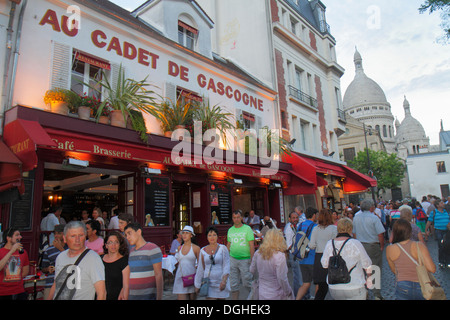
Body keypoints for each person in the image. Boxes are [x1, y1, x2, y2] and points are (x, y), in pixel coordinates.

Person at [47, 221, 106, 300]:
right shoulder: (60, 257)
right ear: (65, 238)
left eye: (80, 235)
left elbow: (101, 292)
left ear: (85, 237)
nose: (77, 240)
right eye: (73, 236)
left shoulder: (93, 258)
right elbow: (56, 284)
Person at [321, 218, 372, 300]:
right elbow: (367, 264)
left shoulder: (329, 243)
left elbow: (324, 264)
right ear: (350, 229)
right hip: (354, 285)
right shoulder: (355, 243)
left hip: (335, 287)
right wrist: (369, 278)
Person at [386, 218, 436, 300]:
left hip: (402, 285)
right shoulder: (419, 245)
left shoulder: (389, 249)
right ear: (410, 231)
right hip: (421, 284)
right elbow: (432, 269)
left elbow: (394, 270)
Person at [352, 199, 385, 300]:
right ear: (371, 207)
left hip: (360, 245)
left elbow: (354, 233)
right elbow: (380, 234)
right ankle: (376, 294)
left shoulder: (356, 218)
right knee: (375, 268)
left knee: (362, 269)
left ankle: (364, 291)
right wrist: (382, 245)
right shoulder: (374, 218)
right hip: (372, 245)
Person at [250, 228, 294, 300]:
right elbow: (282, 278)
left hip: (262, 292)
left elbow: (252, 270)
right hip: (277, 293)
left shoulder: (258, 253)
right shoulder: (279, 256)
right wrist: (288, 291)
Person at [124, 222, 163, 300]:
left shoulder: (153, 248)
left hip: (148, 297)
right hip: (132, 297)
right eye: (126, 235)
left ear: (138, 232)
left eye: (129, 233)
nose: (127, 237)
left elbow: (158, 275)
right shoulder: (131, 251)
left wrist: (159, 298)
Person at [194, 226, 230, 299]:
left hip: (220, 282)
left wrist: (224, 280)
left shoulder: (223, 248)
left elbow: (226, 265)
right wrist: (197, 285)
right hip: (208, 283)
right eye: (209, 235)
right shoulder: (203, 250)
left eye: (214, 235)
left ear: (217, 236)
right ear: (207, 237)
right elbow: (200, 268)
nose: (212, 237)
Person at [309, 208, 337, 300]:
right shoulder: (333, 228)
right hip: (331, 256)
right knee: (334, 284)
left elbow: (312, 245)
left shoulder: (316, 229)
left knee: (322, 286)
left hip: (319, 257)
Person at [227, 209, 255, 300]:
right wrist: (226, 257)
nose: (236, 219)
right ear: (232, 219)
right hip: (232, 259)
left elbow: (251, 245)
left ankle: (254, 296)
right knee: (233, 284)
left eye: (238, 217)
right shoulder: (230, 230)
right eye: (234, 218)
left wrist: (252, 259)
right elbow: (228, 244)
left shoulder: (247, 229)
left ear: (241, 218)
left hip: (245, 259)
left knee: (247, 281)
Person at [0, 228, 30, 300]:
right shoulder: (1, 252)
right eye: (17, 235)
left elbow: (25, 271)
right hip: (3, 292)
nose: (20, 237)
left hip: (19, 291)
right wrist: (11, 251)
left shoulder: (23, 252)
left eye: (20, 235)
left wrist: (14, 278)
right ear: (8, 238)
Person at [295, 207, 317, 300]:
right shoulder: (315, 226)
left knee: (306, 283)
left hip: (302, 258)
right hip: (312, 257)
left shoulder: (300, 226)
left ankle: (297, 299)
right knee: (318, 283)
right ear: (314, 215)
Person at [41, 224, 67, 300]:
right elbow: (43, 268)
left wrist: (60, 248)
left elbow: (72, 262)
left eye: (59, 233)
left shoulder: (71, 248)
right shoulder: (49, 250)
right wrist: (48, 269)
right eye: (55, 233)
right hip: (51, 282)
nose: (56, 236)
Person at [173, 225, 200, 300]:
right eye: (183, 233)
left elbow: (200, 265)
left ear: (191, 235)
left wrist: (199, 281)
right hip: (181, 277)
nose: (184, 235)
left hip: (192, 277)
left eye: (187, 233)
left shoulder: (196, 248)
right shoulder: (179, 248)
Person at [102, 231, 129, 300]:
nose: (113, 245)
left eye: (116, 242)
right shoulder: (99, 259)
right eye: (110, 242)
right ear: (106, 245)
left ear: (120, 244)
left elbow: (126, 285)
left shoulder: (124, 262)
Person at [426, 198, 450, 267]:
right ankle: (441, 261)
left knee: (448, 245)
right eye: (441, 203)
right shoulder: (434, 212)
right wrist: (426, 230)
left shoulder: (447, 212)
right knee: (441, 245)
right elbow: (429, 221)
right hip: (439, 230)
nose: (443, 204)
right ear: (437, 205)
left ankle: (448, 260)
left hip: (447, 231)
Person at [283, 211, 301, 295]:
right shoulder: (289, 228)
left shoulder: (297, 226)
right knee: (297, 276)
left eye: (296, 217)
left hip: (298, 253)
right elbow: (288, 244)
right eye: (293, 218)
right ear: (289, 219)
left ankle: (302, 294)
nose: (295, 219)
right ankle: (297, 294)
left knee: (299, 275)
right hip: (293, 253)